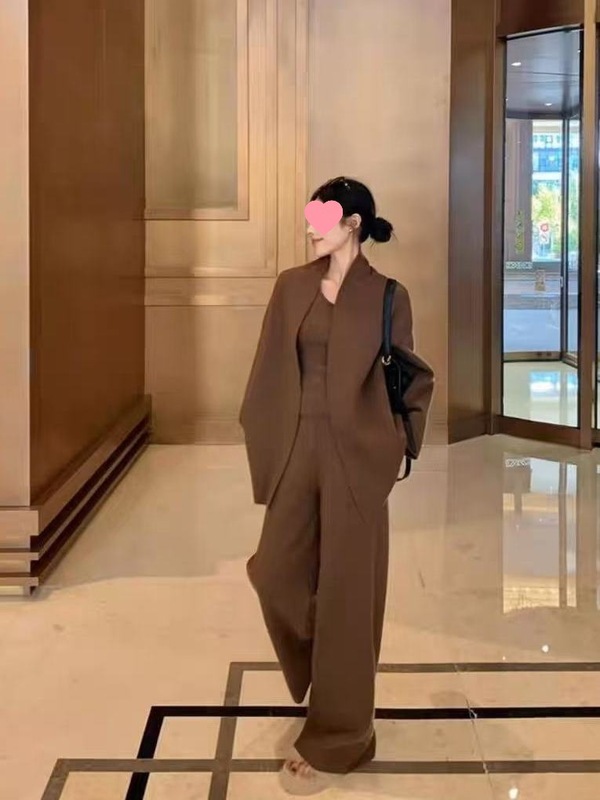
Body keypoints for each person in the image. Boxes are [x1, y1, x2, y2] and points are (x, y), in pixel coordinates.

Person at [239, 176, 429, 794]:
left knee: (350, 590)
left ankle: (344, 733)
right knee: (275, 572)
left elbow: (410, 376)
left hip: (358, 454)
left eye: (320, 216)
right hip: (297, 446)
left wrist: (395, 444)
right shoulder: (291, 286)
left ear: (352, 224)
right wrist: (265, 439)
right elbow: (267, 370)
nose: (309, 226)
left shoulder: (387, 295)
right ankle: (328, 666)